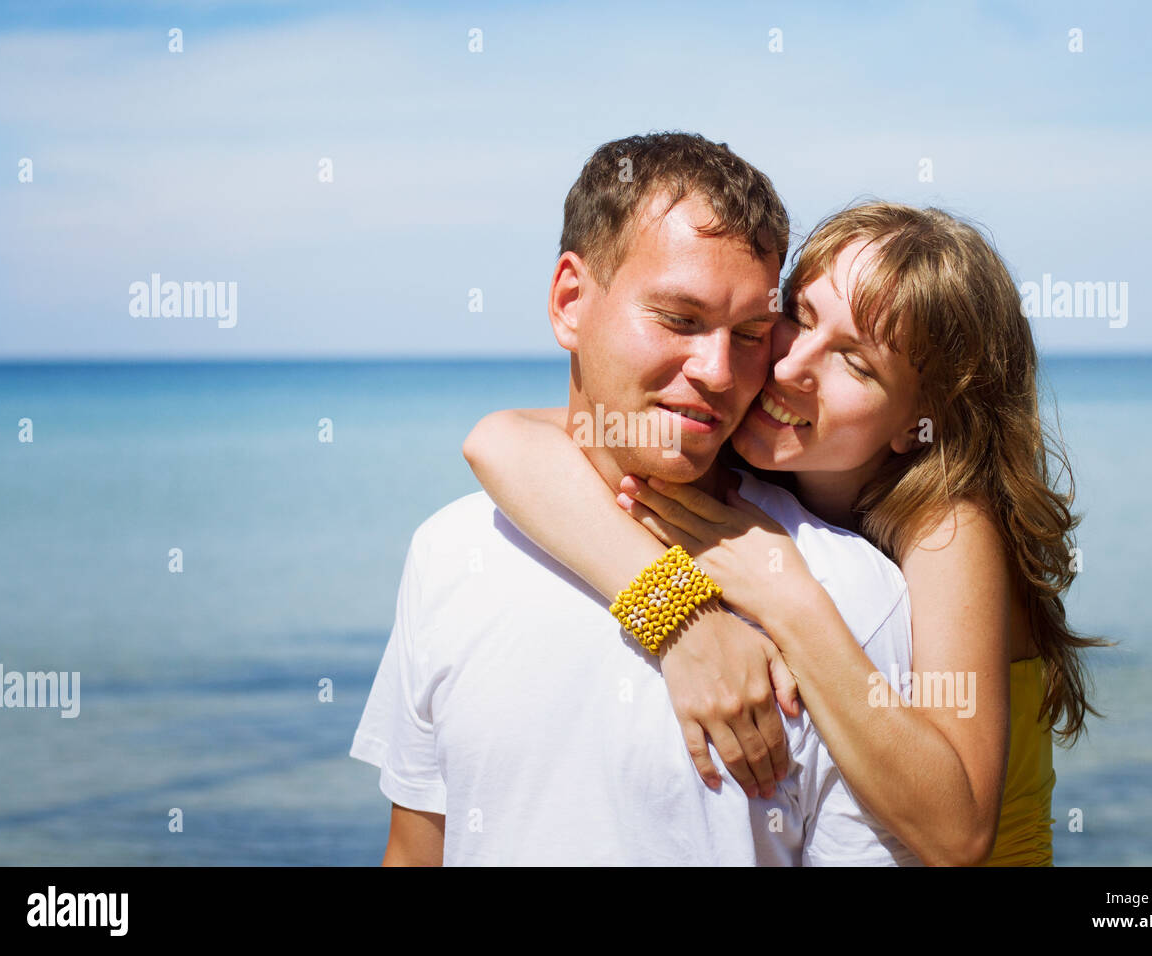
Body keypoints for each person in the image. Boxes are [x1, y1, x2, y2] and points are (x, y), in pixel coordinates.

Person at [464, 201, 1109, 866]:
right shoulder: (762, 455)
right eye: (797, 318)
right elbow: (501, 440)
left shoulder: (948, 523)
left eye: (855, 363)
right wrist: (681, 618)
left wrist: (789, 598)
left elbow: (959, 833)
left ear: (921, 420)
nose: (792, 367)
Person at [350, 132, 922, 865]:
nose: (719, 372)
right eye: (679, 320)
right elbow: (416, 849)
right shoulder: (451, 551)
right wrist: (678, 613)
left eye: (751, 333)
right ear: (569, 302)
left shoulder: (849, 593)